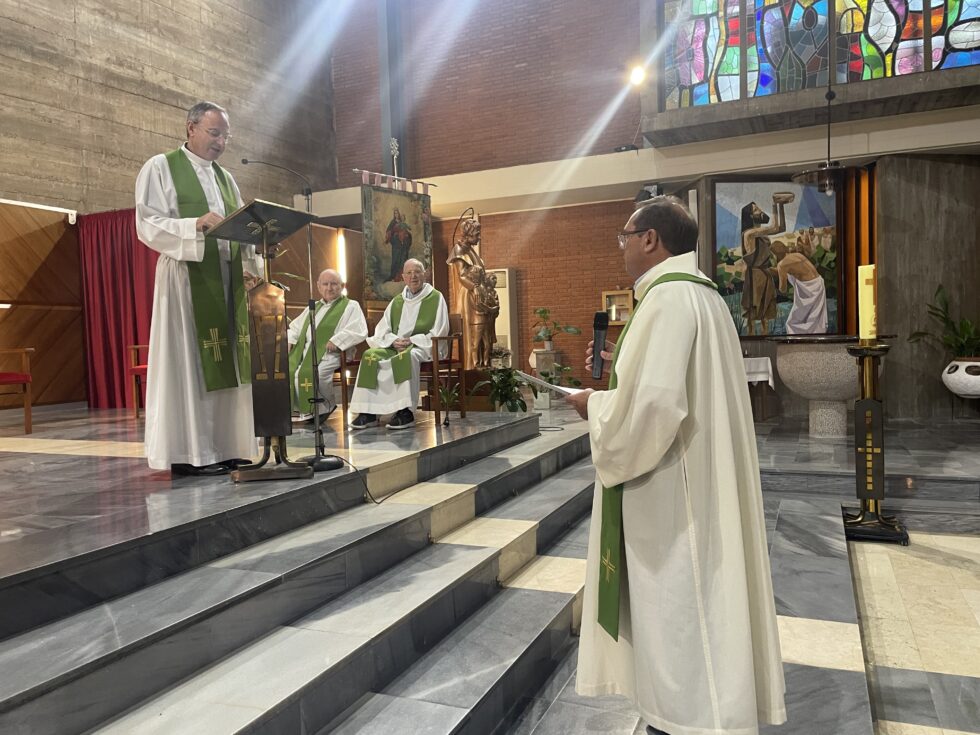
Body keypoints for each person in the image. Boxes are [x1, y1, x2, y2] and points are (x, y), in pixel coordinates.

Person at [566, 196, 785, 735]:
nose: (621, 246)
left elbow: (654, 409)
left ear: (650, 239)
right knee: (707, 601)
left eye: (625, 235)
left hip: (675, 490)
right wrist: (616, 378)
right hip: (702, 478)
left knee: (682, 607)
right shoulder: (703, 295)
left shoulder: (665, 301)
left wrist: (594, 406)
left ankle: (685, 720)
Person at [135, 101, 261, 476]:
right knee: (190, 363)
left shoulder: (226, 179)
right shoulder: (160, 167)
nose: (221, 142)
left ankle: (228, 446)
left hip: (227, 281)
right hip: (185, 279)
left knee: (230, 363)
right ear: (191, 128)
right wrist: (192, 224)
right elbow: (147, 223)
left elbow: (239, 227)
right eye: (214, 133)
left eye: (226, 136)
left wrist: (251, 266)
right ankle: (192, 453)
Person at [349, 259, 448, 430]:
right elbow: (382, 330)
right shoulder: (397, 301)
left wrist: (412, 340)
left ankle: (405, 412)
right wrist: (393, 341)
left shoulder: (436, 298)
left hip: (421, 346)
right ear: (403, 277)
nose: (413, 276)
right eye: (409, 273)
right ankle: (369, 411)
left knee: (408, 356)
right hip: (395, 345)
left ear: (425, 274)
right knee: (369, 356)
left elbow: (440, 330)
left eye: (417, 272)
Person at [286, 269, 368, 421]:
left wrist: (337, 340)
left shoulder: (351, 306)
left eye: (334, 284)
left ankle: (324, 408)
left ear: (342, 286)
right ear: (318, 286)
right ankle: (302, 412)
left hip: (333, 353)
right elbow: (295, 328)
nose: (329, 288)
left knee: (316, 374)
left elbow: (358, 330)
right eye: (325, 284)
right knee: (291, 372)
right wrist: (290, 340)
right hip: (306, 352)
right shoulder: (313, 307)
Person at [770, 242, 828, 334]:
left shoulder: (781, 265)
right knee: (814, 316)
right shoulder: (797, 255)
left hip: (808, 289)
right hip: (818, 283)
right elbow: (792, 269)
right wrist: (772, 270)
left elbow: (783, 289)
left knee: (793, 323)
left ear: (775, 254)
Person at [385, 207, 413, 280]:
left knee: (402, 259)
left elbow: (407, 230)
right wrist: (394, 233)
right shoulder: (393, 222)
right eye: (395, 213)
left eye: (397, 213)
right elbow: (388, 231)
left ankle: (402, 275)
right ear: (394, 214)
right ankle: (394, 275)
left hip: (402, 245)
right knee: (396, 259)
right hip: (396, 244)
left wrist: (407, 235)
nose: (396, 214)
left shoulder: (402, 222)